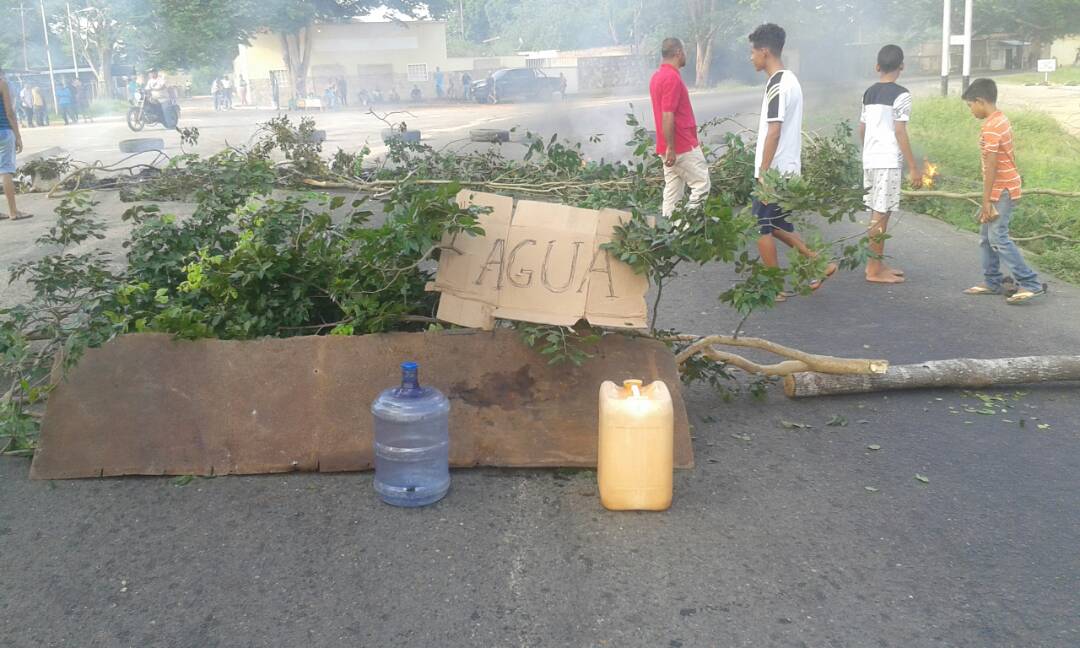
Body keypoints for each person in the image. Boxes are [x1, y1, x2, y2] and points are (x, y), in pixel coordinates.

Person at [748, 23, 835, 299]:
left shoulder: (777, 85)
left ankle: (775, 288)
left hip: (773, 172)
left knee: (759, 227)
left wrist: (762, 174)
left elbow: (774, 130)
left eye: (752, 52)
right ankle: (818, 262)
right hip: (786, 169)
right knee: (775, 225)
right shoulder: (791, 80)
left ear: (764, 51)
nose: (751, 58)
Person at [960, 78, 1046, 305]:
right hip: (1001, 188)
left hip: (1003, 189)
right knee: (986, 238)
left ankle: (1031, 283)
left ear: (980, 101)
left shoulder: (991, 126)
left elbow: (991, 165)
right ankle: (992, 281)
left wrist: (986, 201)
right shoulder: (1000, 119)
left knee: (998, 238)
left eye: (970, 106)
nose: (971, 111)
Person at [858, 45, 921, 284]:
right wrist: (913, 167)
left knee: (879, 212)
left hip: (871, 158)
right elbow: (900, 131)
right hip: (887, 160)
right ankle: (873, 270)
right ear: (902, 67)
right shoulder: (902, 94)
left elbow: (862, 128)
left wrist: (868, 151)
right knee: (880, 214)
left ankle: (876, 264)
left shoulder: (868, 93)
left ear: (877, 67)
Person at [649, 37, 710, 221]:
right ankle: (688, 228)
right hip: (680, 145)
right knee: (701, 184)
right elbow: (668, 114)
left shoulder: (657, 77)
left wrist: (667, 147)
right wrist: (671, 148)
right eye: (684, 51)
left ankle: (670, 230)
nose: (686, 55)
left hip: (666, 146)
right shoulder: (671, 78)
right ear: (677, 52)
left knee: (673, 188)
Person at [0, 68, 30, 220]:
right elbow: (9, 112)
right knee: (5, 171)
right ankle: (13, 211)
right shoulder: (2, 83)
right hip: (3, 131)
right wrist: (18, 136)